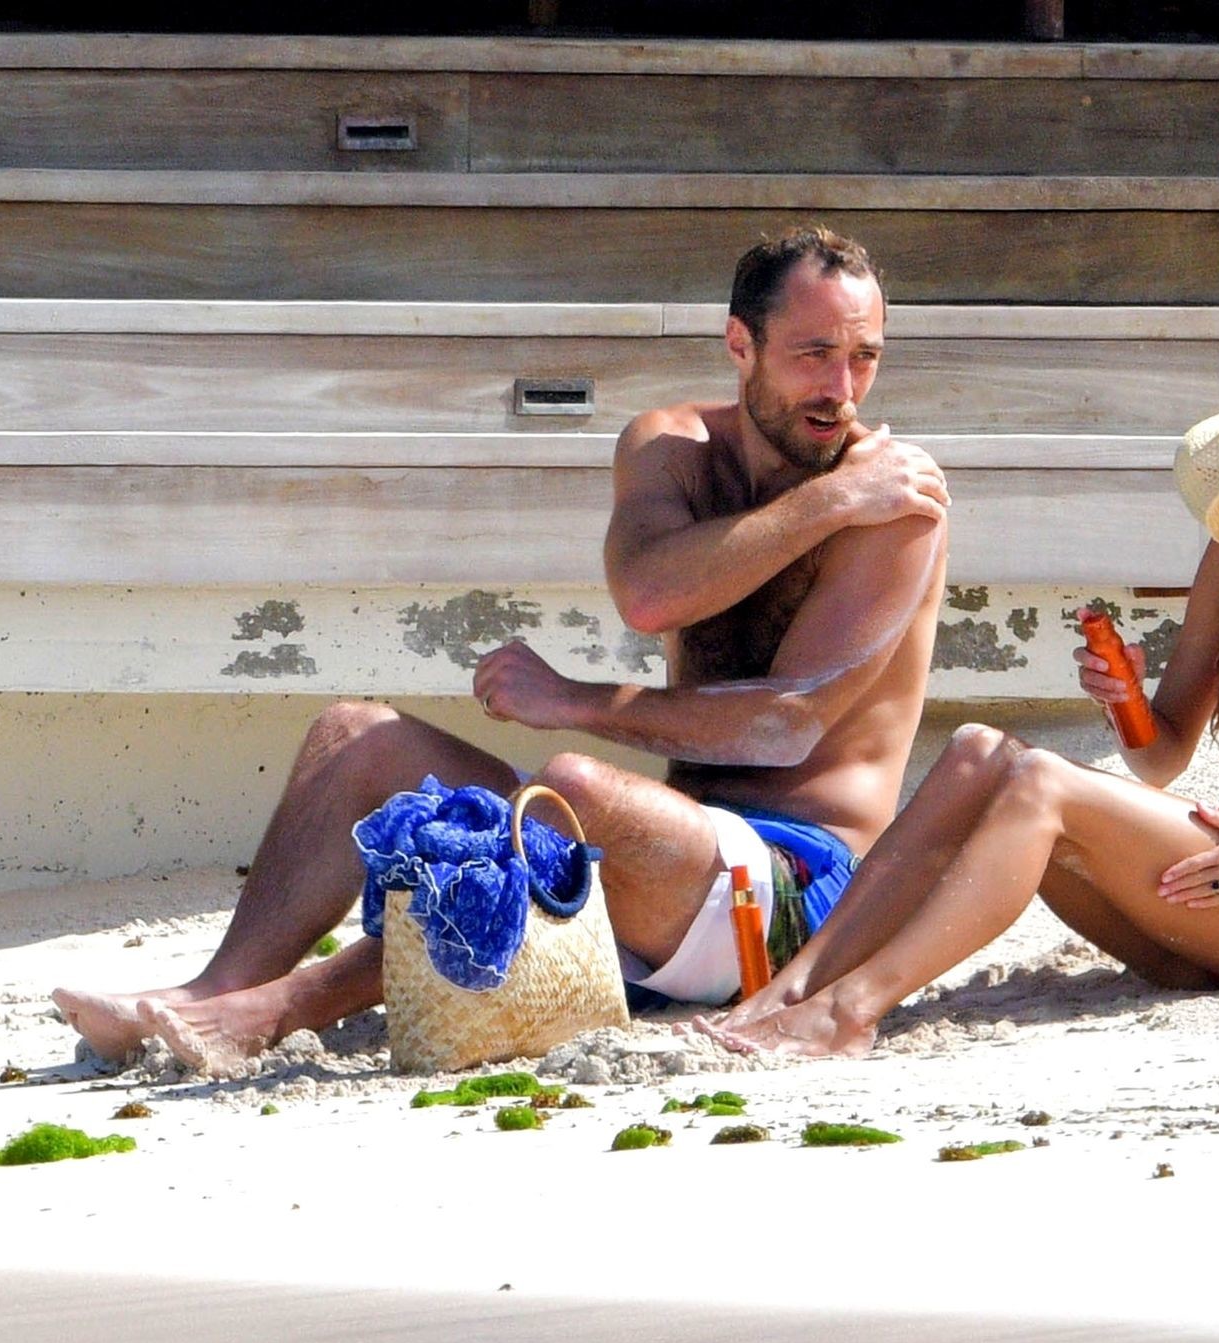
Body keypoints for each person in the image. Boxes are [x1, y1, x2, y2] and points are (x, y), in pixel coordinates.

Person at [53, 227, 949, 1071]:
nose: (842, 388)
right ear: (739, 345)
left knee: (576, 788)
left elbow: (787, 727)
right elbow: (649, 594)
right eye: (813, 354)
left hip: (798, 894)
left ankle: (279, 1009)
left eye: (864, 356)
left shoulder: (894, 504)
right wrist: (824, 502)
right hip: (668, 872)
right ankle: (209, 994)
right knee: (356, 737)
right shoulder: (673, 448)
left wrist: (574, 701)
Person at [705, 316, 1219, 1058]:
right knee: (979, 751)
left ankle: (851, 1011)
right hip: (1214, 880)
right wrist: (1125, 700)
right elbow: (1163, 759)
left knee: (1041, 781)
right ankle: (790, 989)